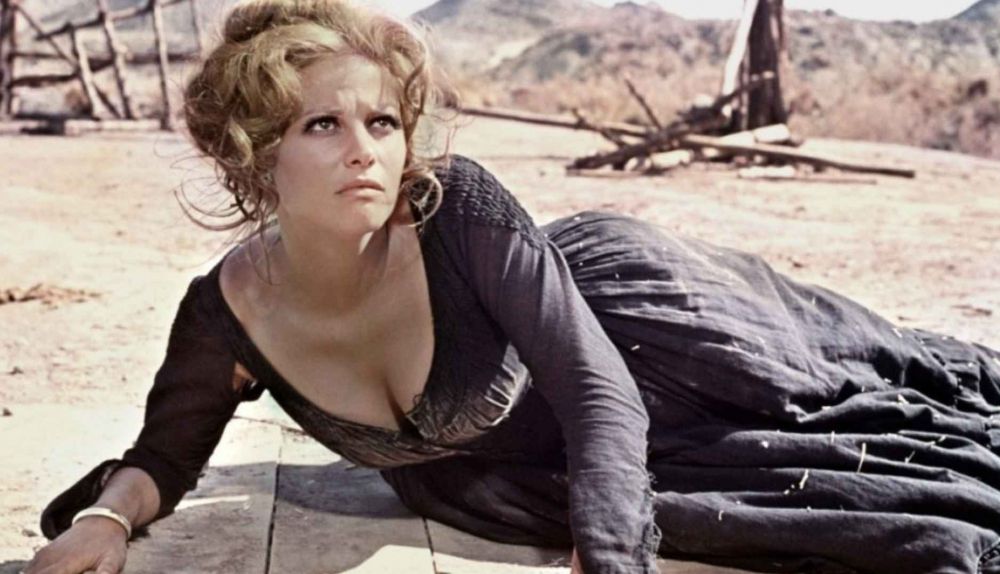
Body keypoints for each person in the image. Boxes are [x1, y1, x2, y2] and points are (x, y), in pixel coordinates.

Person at [24, 0, 1000, 573]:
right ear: (254, 152)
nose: (366, 151)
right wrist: (108, 519)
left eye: (381, 121)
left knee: (850, 371)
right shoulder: (228, 312)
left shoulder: (455, 208)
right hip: (521, 467)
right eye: (323, 125)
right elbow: (165, 452)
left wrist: (610, 554)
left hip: (639, 322)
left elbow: (597, 389)